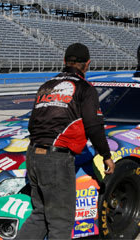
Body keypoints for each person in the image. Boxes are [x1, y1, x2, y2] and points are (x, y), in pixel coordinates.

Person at [15, 43, 115, 240]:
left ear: (64, 61)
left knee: (40, 215)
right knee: (61, 222)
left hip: (33, 154)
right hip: (56, 159)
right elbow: (94, 126)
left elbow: (32, 124)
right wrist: (106, 156)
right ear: (87, 64)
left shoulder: (47, 85)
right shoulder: (84, 88)